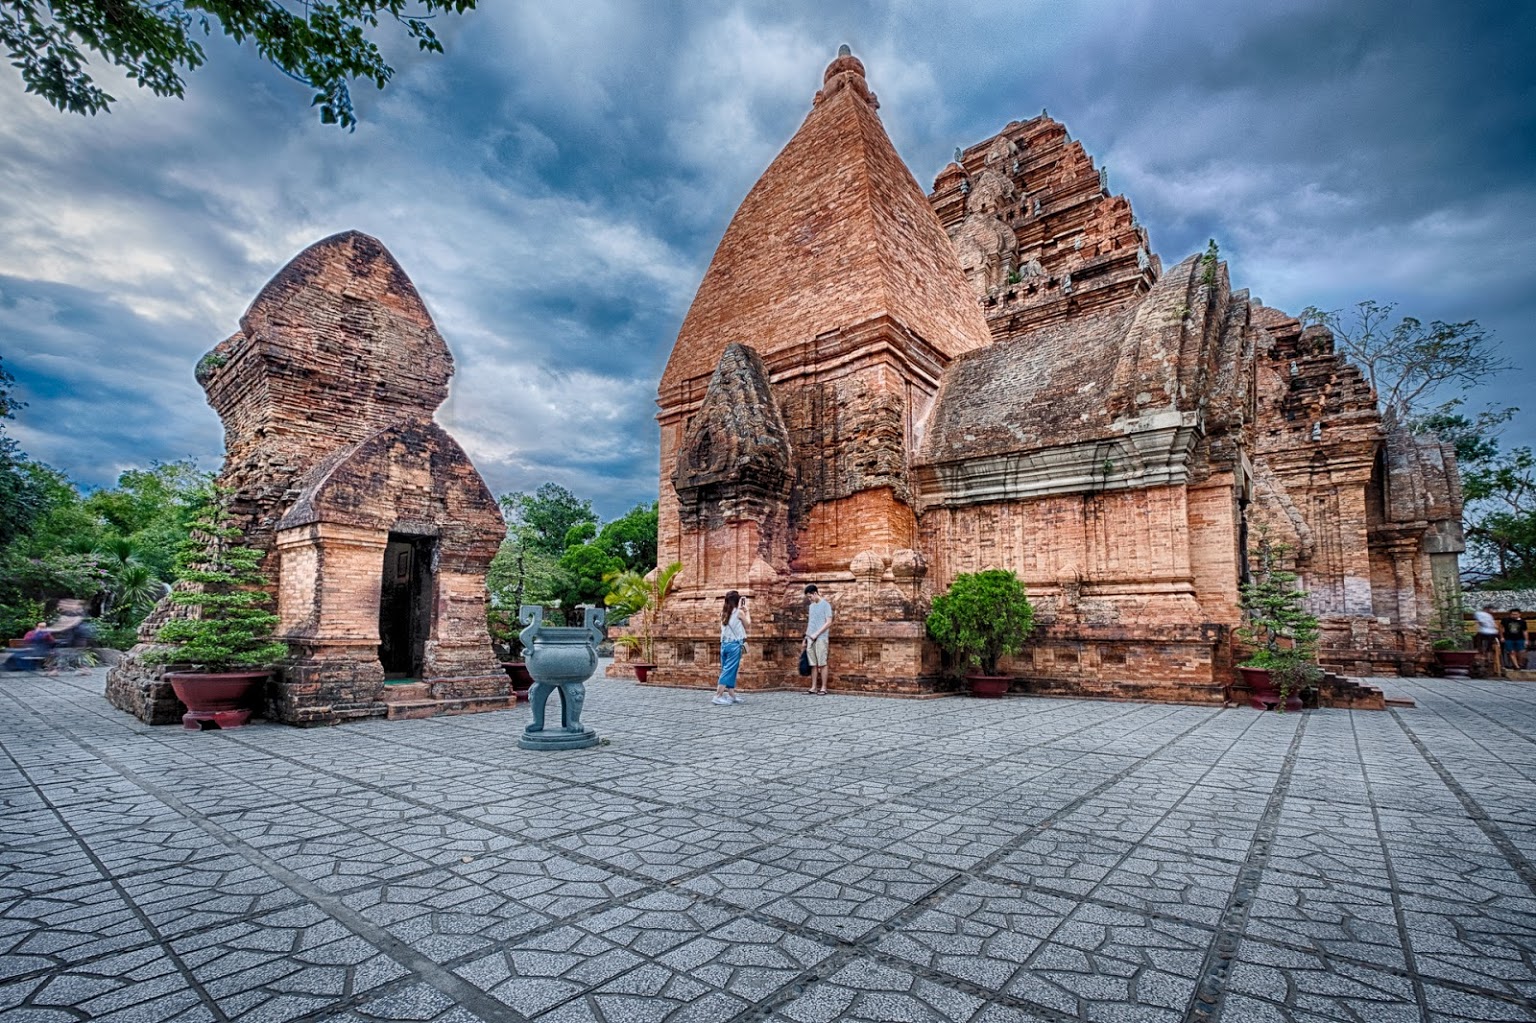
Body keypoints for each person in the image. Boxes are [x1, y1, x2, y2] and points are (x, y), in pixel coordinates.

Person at [712, 590, 749, 705]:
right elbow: (748, 625)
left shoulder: (723, 612)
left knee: (728, 669)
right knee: (728, 670)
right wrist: (747, 611)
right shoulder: (739, 613)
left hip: (724, 645)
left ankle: (731, 695)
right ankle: (718, 695)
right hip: (734, 645)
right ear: (738, 601)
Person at [804, 584, 833, 694]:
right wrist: (806, 637)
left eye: (810, 596)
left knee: (822, 662)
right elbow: (810, 623)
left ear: (815, 593)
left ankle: (824, 687)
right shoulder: (811, 607)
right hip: (811, 638)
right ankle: (813, 687)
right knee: (813, 663)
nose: (809, 599)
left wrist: (817, 633)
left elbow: (828, 622)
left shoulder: (826, 605)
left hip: (821, 637)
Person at [1475, 603, 1499, 671]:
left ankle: (1485, 656)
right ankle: (1485, 657)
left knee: (1485, 646)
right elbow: (1482, 623)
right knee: (1488, 647)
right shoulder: (1483, 614)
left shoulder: (1482, 614)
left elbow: (1481, 622)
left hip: (1487, 632)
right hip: (1488, 632)